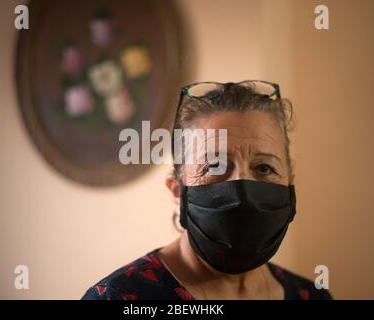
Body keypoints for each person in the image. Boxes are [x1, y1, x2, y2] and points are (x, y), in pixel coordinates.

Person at [82, 80, 332, 300]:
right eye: (215, 166)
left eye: (265, 168)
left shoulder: (311, 296)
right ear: (177, 190)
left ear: (290, 183)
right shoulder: (120, 298)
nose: (242, 187)